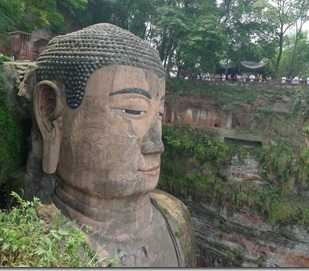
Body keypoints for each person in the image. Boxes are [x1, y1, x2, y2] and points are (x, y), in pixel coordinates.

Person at [26, 23, 195, 267]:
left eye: (159, 114)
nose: (156, 145)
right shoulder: (37, 247)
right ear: (49, 112)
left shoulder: (176, 219)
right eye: (133, 110)